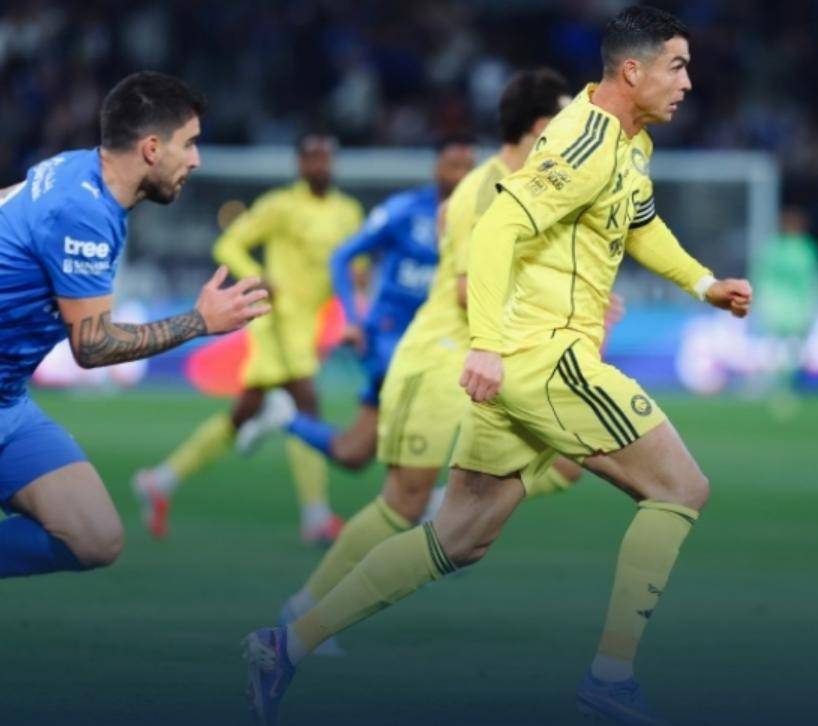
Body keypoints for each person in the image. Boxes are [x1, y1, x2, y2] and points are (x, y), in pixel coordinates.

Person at [244, 7, 753, 724]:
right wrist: (484, 342)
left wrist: (703, 284)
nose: (689, 83)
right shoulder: (585, 142)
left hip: (524, 367)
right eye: (678, 66)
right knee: (680, 489)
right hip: (547, 357)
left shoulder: (630, 144)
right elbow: (497, 231)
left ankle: (286, 645)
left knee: (455, 540)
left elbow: (640, 224)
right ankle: (611, 677)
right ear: (633, 70)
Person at [274, 69, 595, 653]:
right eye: (567, 117)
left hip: (487, 359)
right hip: (443, 359)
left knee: (572, 459)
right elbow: (469, 292)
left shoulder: (524, 186)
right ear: (541, 125)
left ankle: (451, 505)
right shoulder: (485, 189)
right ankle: (307, 610)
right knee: (402, 500)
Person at [0, 71, 268, 578]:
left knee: (92, 536)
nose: (196, 160)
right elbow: (92, 346)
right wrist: (199, 321)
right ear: (151, 148)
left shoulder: (76, 171)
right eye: (189, 144)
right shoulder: (83, 210)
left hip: (7, 398)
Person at [133, 134, 363, 545]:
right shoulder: (280, 206)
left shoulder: (348, 212)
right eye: (311, 158)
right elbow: (229, 244)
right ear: (300, 165)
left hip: (309, 325)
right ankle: (315, 515)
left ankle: (161, 481)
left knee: (244, 414)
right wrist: (258, 279)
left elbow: (354, 267)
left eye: (325, 158)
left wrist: (355, 300)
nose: (319, 165)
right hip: (276, 323)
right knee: (306, 406)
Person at [234, 137, 477, 472]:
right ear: (437, 168)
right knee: (434, 397)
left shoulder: (477, 216)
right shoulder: (404, 210)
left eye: (468, 167)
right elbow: (342, 256)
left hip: (435, 336)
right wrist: (352, 318)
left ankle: (285, 418)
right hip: (390, 337)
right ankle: (429, 494)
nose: (461, 174)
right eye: (453, 166)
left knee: (353, 454)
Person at [750, 205, 818, 419]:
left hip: (792, 308)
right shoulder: (777, 248)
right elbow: (763, 277)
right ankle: (779, 389)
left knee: (789, 352)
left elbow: (814, 280)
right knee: (780, 351)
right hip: (781, 308)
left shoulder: (804, 248)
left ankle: (786, 389)